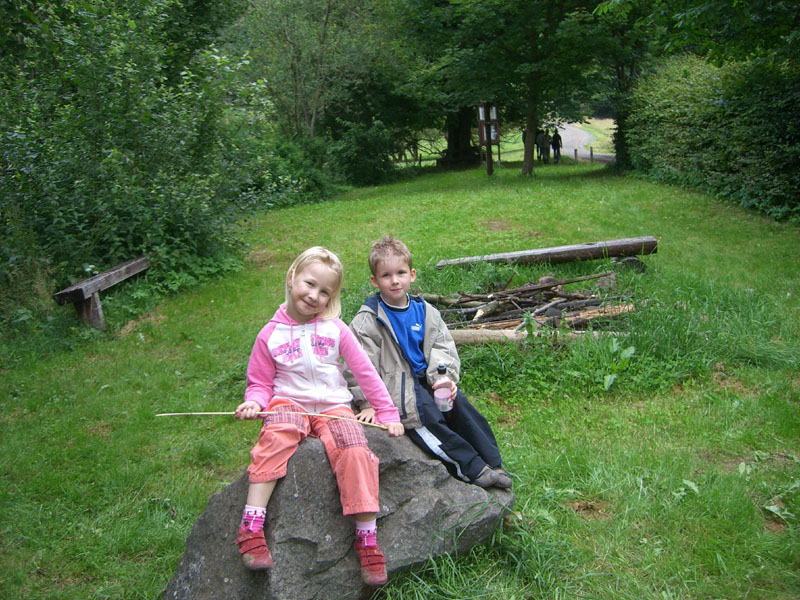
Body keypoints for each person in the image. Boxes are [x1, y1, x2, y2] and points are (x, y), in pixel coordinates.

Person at [234, 246, 404, 586]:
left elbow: (365, 372)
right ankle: (251, 525)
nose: (314, 296)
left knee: (355, 450)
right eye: (309, 284)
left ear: (332, 297)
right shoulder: (270, 334)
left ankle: (367, 537)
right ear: (292, 277)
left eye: (325, 291)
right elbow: (259, 382)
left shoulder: (335, 328)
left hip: (334, 405)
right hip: (288, 402)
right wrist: (254, 402)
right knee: (275, 437)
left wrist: (387, 412)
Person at [347, 236, 512, 490]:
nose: (394, 280)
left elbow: (442, 345)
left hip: (429, 379)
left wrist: (444, 377)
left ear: (412, 275)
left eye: (400, 273)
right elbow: (358, 366)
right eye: (386, 275)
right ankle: (473, 468)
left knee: (462, 407)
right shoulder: (367, 322)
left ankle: (493, 461)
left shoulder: (425, 312)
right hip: (397, 391)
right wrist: (367, 403)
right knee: (428, 420)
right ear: (374, 281)